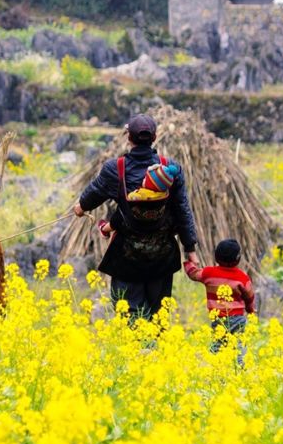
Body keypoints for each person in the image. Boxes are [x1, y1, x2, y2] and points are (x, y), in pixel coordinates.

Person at [73, 114, 199, 319]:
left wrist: (80, 207)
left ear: (128, 138)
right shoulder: (170, 170)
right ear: (155, 137)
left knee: (130, 316)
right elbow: (182, 209)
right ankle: (155, 350)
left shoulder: (115, 169)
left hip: (126, 258)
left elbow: (90, 197)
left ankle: (138, 349)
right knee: (158, 317)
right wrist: (190, 248)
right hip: (162, 256)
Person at [183, 239, 256, 364]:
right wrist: (250, 309)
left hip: (218, 319)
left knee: (218, 344)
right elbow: (249, 296)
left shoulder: (209, 273)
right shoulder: (242, 277)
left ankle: (212, 368)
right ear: (238, 259)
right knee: (239, 345)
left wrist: (189, 263)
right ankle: (241, 367)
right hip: (238, 318)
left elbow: (193, 274)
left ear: (216, 257)